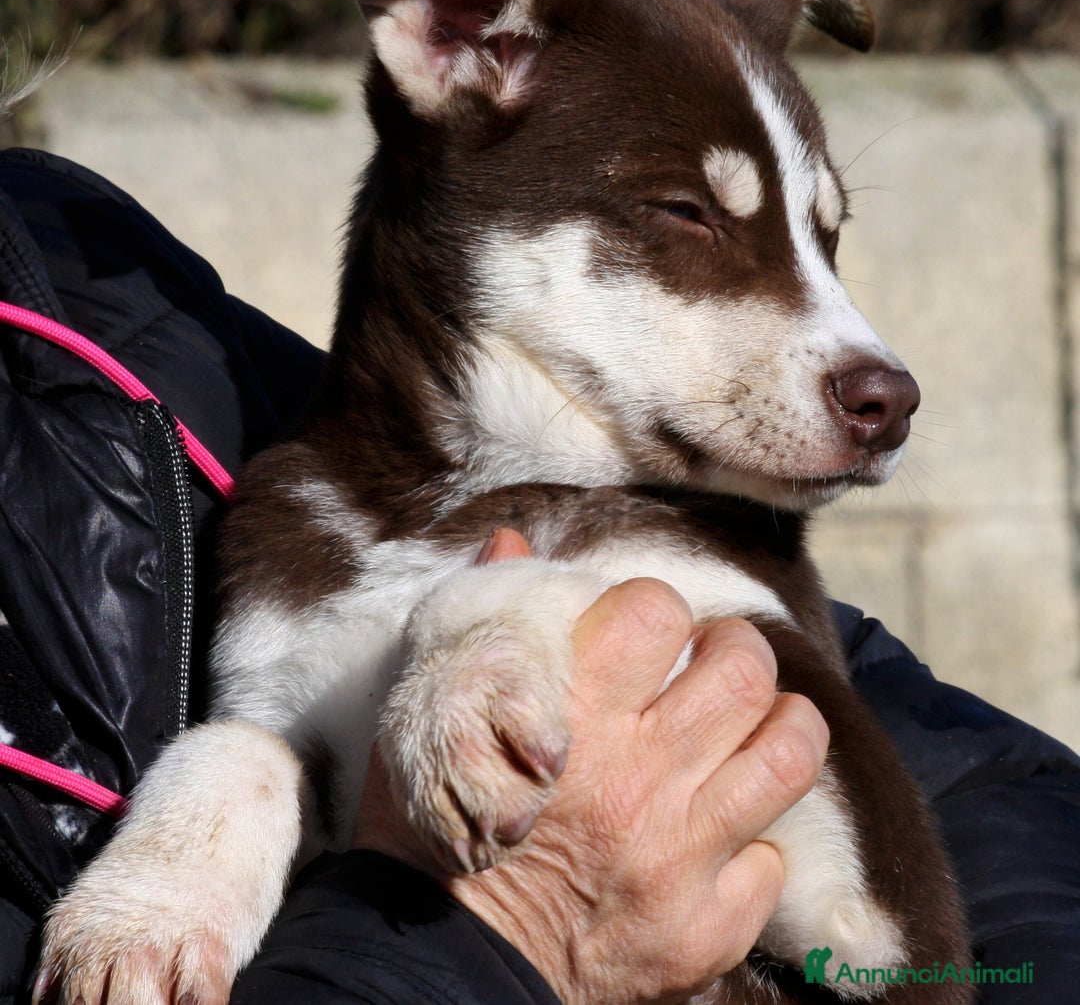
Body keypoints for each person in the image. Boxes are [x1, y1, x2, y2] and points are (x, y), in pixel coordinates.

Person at [0, 145, 1077, 1005]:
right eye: (693, 218)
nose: (850, 334)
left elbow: (974, 791)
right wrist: (503, 931)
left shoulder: (79, 296)